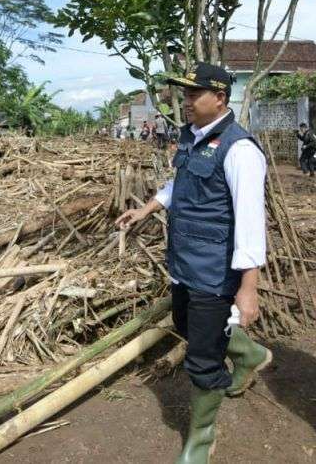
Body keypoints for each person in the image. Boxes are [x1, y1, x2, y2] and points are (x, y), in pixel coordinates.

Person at [115, 62, 270, 464]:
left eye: (192, 95)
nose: (183, 102)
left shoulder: (240, 150)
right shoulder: (191, 138)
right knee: (186, 326)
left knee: (202, 359)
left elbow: (252, 222)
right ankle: (251, 356)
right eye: (182, 94)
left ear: (220, 98)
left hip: (216, 273)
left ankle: (200, 441)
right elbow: (180, 184)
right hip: (184, 262)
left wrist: (248, 287)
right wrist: (148, 208)